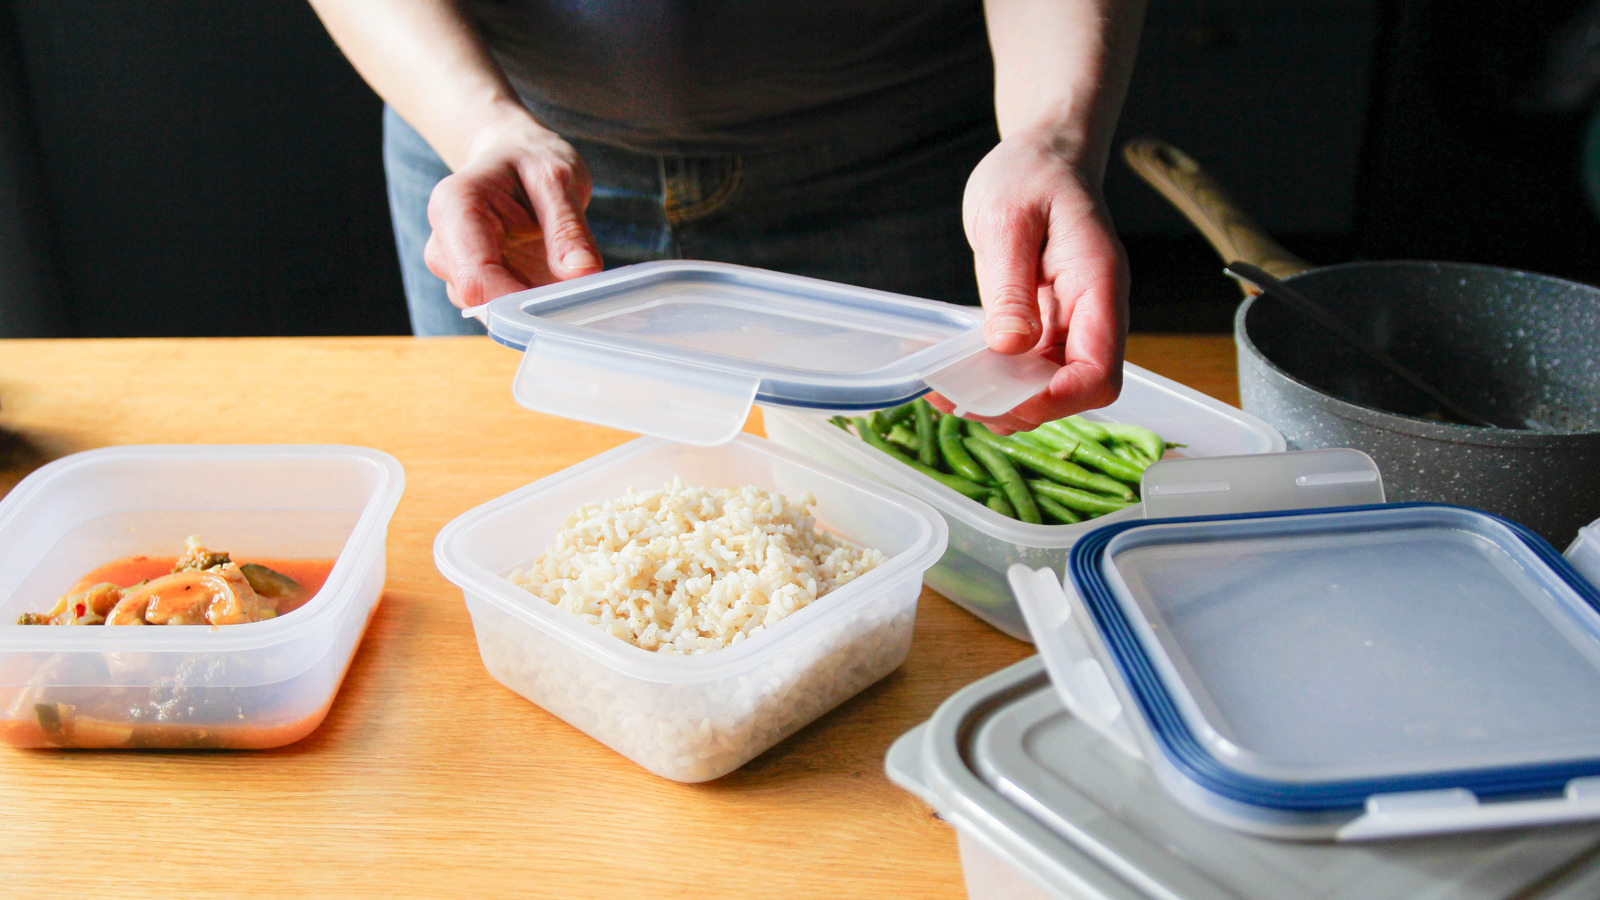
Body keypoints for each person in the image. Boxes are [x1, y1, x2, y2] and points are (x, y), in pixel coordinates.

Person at [308, 0, 1146, 432]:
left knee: (898, 528)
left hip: (909, 164)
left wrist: (1050, 137)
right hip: (499, 164)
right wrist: (480, 125)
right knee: (506, 497)